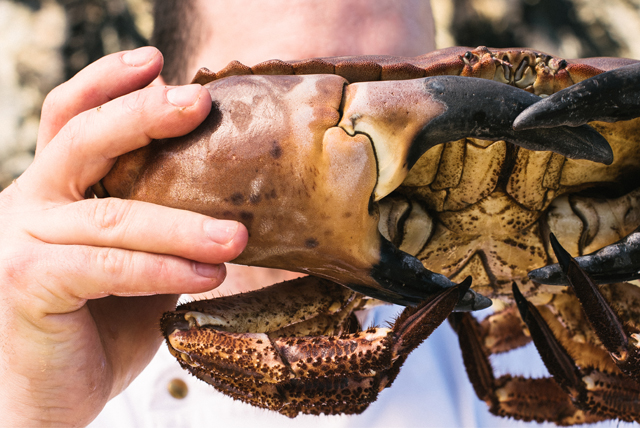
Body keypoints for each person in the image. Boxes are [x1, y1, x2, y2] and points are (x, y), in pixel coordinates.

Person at [0, 1, 438, 427]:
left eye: (411, 81)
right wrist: (37, 415)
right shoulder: (40, 350)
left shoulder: (497, 336)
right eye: (303, 83)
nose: (373, 147)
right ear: (164, 112)